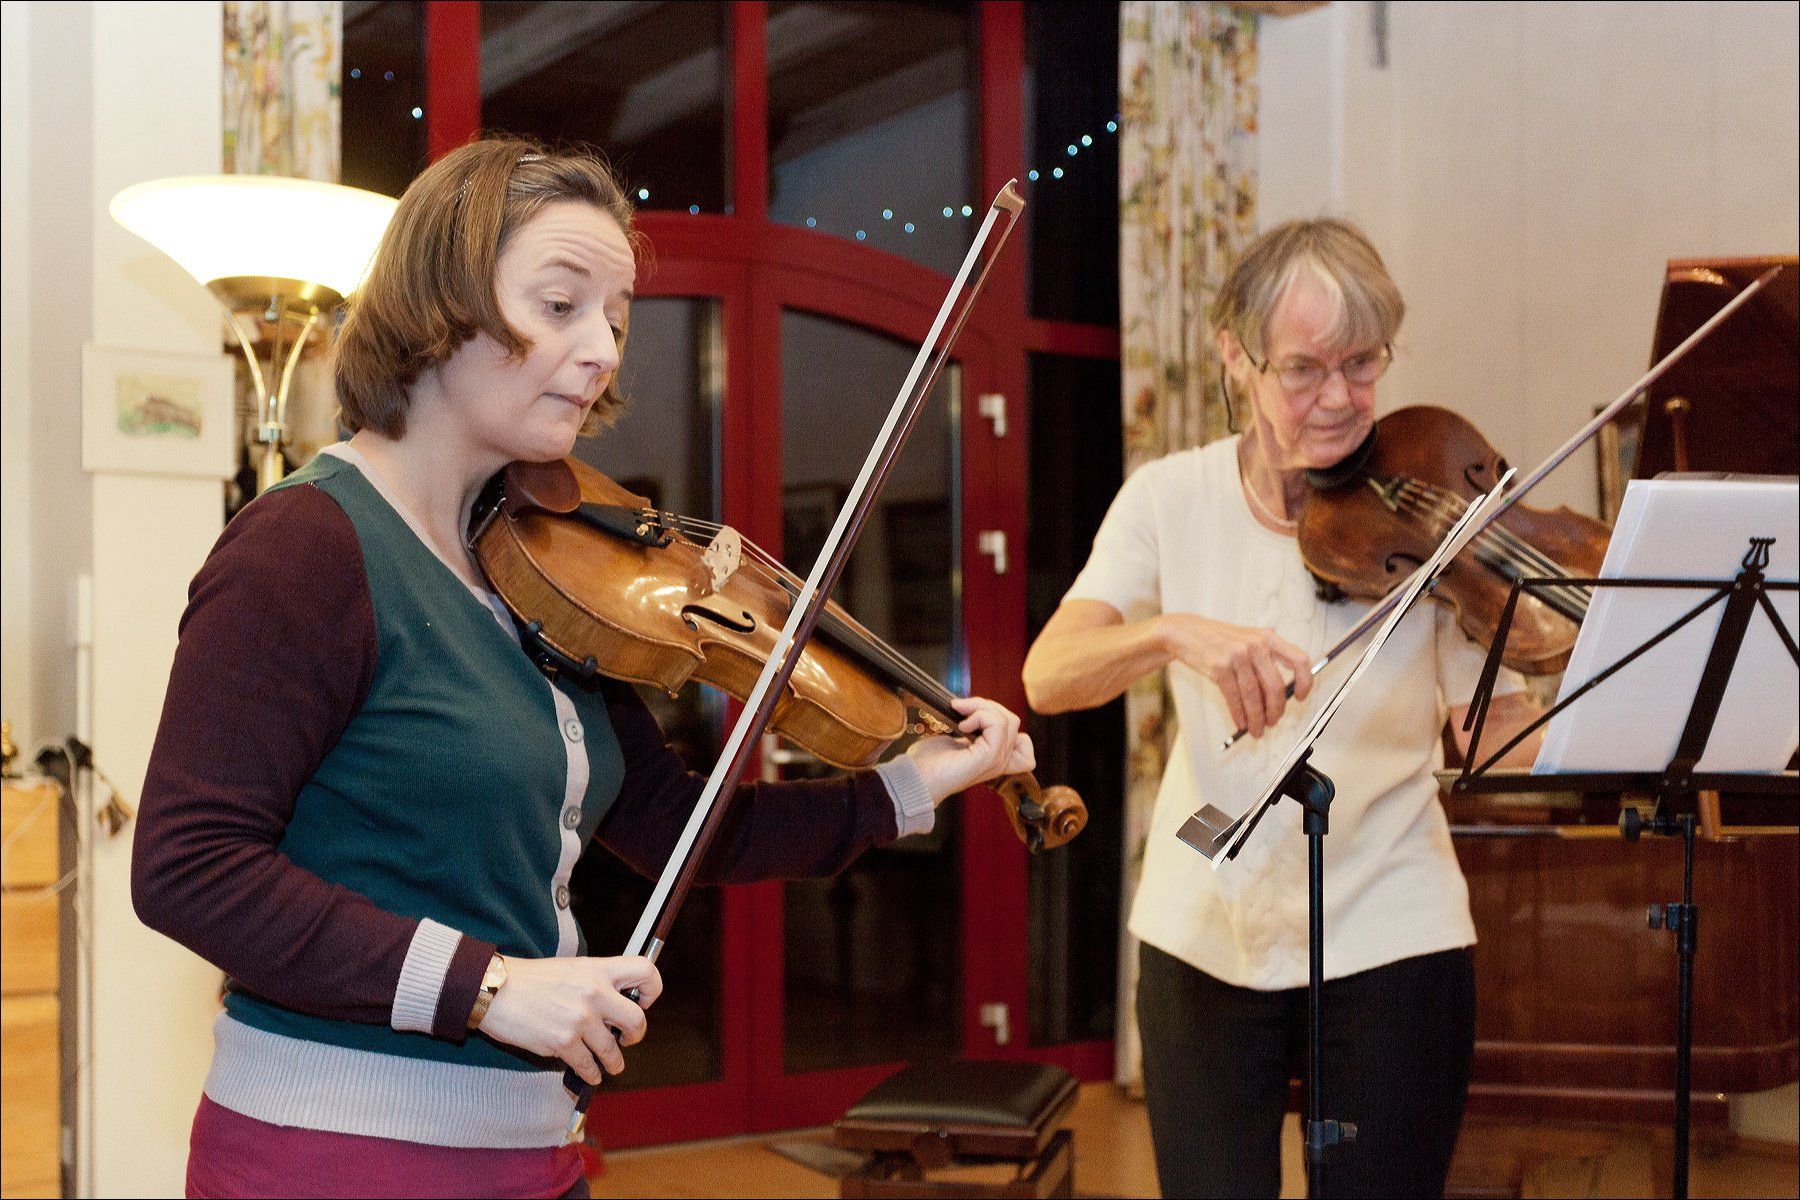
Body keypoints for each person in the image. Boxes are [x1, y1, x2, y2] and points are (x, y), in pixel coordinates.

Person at [132, 137, 1034, 1200]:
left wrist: (913, 784)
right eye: (561, 305)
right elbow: (188, 866)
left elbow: (677, 824)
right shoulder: (305, 546)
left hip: (534, 1151)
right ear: (438, 303)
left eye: (615, 317)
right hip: (335, 1155)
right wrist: (491, 988)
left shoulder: (544, 571)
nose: (603, 349)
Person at [1022, 218, 1542, 1199]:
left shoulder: (1430, 509)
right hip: (1203, 928)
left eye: (1362, 363)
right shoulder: (1168, 499)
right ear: (1237, 356)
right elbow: (1050, 674)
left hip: (1394, 925)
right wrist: (1173, 634)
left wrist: (1607, 682)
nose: (1340, 399)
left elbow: (1494, 736)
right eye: (1304, 369)